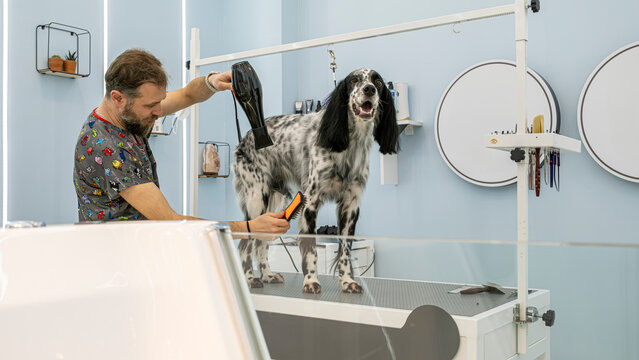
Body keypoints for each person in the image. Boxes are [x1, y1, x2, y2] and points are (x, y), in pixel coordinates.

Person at [73, 49, 289, 234]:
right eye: (151, 106)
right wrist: (249, 229)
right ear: (118, 98)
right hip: (116, 264)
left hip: (139, 250)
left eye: (161, 101)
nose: (159, 112)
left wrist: (212, 83)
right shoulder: (106, 147)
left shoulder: (128, 115)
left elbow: (187, 95)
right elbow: (169, 220)